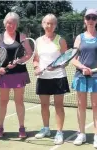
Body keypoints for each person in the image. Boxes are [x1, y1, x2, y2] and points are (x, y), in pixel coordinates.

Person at [71, 9, 97, 149]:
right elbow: (73, 59)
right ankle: (81, 133)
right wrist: (82, 68)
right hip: (81, 75)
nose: (91, 20)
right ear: (84, 20)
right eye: (88, 17)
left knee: (96, 106)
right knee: (81, 105)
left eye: (94, 17)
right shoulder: (79, 37)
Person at [0, 12, 31, 138]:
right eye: (9, 22)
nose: (11, 25)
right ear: (5, 23)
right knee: (3, 101)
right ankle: (0, 127)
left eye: (14, 23)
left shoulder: (22, 36)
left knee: (19, 101)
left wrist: (18, 61)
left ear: (16, 24)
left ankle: (21, 127)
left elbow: (29, 54)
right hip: (3, 74)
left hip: (19, 73)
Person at [33, 14, 70, 145]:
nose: (49, 26)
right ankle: (46, 128)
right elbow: (36, 59)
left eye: (52, 23)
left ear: (55, 25)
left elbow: (66, 60)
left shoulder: (60, 40)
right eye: (46, 23)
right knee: (44, 105)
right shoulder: (38, 41)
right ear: (43, 24)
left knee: (59, 106)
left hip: (58, 77)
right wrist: (36, 68)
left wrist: (57, 66)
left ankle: (59, 132)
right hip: (43, 78)